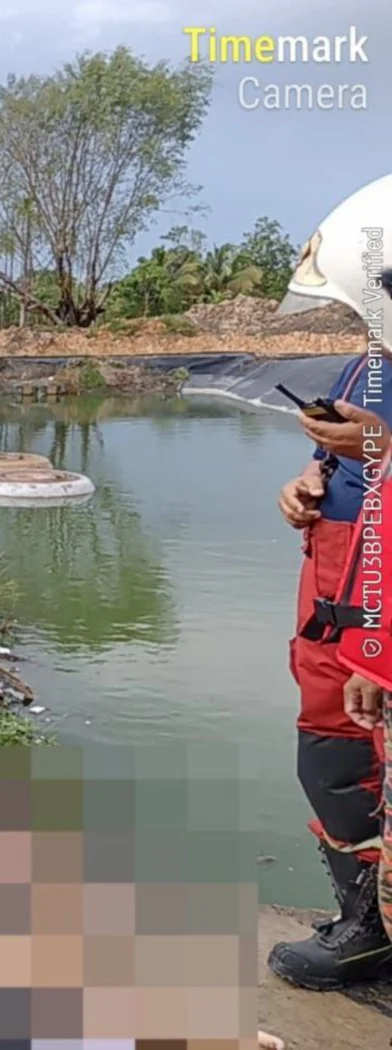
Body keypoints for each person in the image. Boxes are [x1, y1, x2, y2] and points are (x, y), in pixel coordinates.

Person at [268, 174, 392, 991]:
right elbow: (338, 461)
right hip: (336, 598)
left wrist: (377, 451)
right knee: (330, 762)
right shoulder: (366, 368)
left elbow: (376, 455)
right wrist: (306, 484)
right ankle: (364, 926)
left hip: (380, 616)